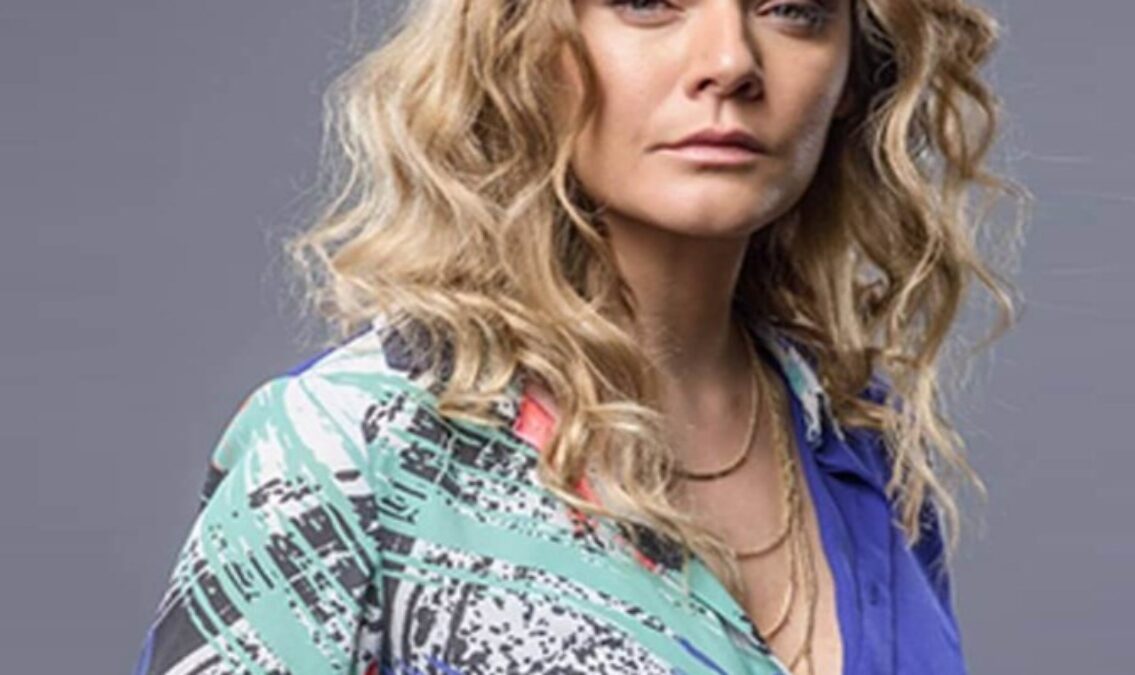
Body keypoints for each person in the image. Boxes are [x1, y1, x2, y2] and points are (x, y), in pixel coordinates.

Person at [132, 0, 1026, 673]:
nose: (729, 61)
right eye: (647, 1)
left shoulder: (866, 453)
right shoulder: (357, 448)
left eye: (792, 8)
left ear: (853, 73)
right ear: (523, 46)